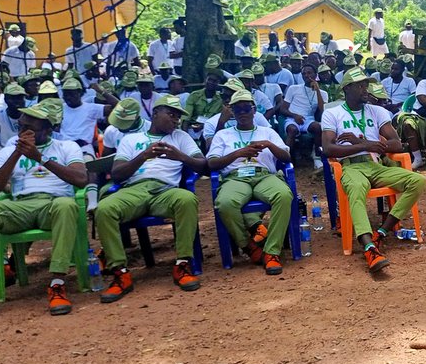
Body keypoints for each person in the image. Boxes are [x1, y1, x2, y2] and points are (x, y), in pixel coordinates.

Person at [0, 100, 89, 324]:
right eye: (20, 127)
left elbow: (80, 179)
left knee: (67, 205)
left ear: (48, 130)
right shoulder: (9, 150)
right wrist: (17, 154)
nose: (23, 132)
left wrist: (40, 158)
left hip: (53, 204)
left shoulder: (67, 147)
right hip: (19, 206)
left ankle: (57, 285)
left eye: (30, 129)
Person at [96, 95, 205, 301]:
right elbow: (117, 174)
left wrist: (180, 156)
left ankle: (182, 264)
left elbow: (203, 165)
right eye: (171, 115)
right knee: (105, 209)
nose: (175, 120)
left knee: (187, 199)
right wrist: (143, 156)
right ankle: (120, 272)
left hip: (165, 190)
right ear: (155, 113)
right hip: (134, 189)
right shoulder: (131, 139)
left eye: (178, 117)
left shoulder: (180, 137)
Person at [321, 66, 426, 272]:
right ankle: (369, 247)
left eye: (366, 85)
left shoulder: (377, 111)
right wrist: (362, 146)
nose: (365, 89)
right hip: (351, 167)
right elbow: (328, 148)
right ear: (347, 89)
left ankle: (381, 232)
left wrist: (366, 143)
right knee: (357, 189)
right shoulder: (332, 114)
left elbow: (396, 144)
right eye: (360, 86)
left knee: (418, 181)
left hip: (375, 165)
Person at [206, 89, 294, 275]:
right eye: (238, 110)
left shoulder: (267, 131)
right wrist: (238, 153)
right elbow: (212, 163)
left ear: (254, 110)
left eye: (247, 108)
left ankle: (272, 252)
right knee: (225, 203)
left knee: (284, 195)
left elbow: (286, 156)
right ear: (233, 113)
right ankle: (249, 246)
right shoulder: (223, 135)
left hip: (264, 175)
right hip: (236, 177)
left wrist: (270, 145)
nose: (243, 113)